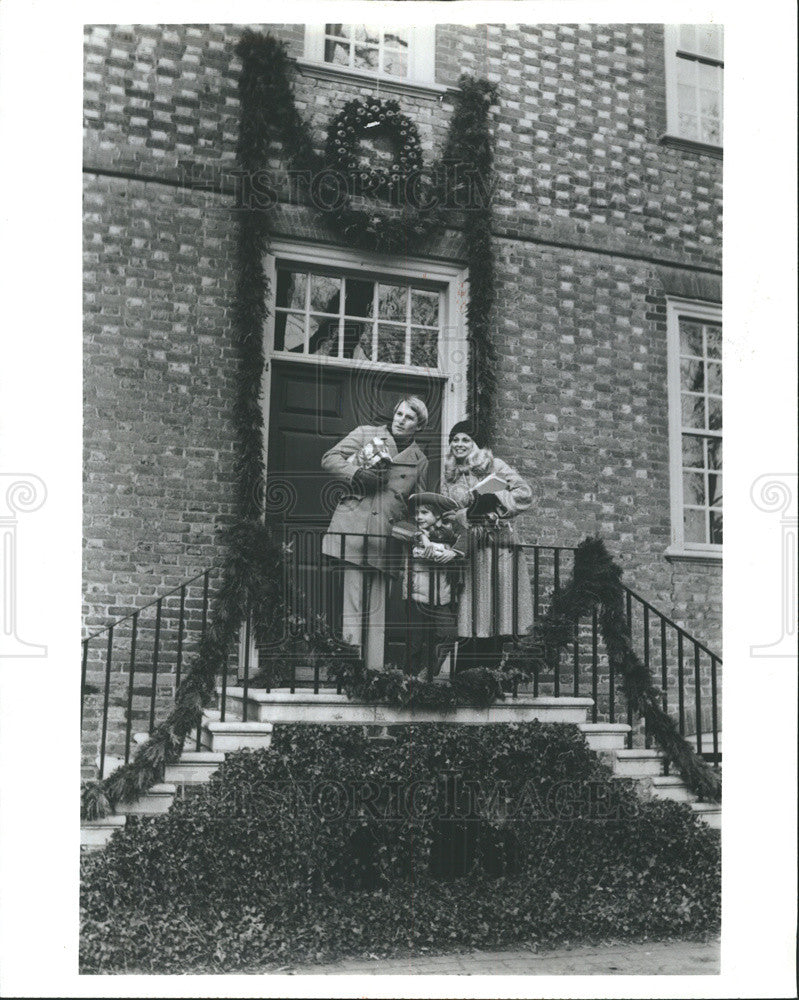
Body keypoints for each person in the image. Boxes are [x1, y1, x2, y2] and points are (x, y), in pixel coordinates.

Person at [321, 397, 429, 671]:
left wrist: (417, 530)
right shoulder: (367, 433)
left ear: (418, 426)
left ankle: (374, 675)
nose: (400, 419)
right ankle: (350, 673)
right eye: (399, 413)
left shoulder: (420, 460)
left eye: (409, 417)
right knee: (353, 607)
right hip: (356, 529)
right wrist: (357, 473)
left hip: (387, 537)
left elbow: (417, 504)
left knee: (378, 613)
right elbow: (329, 458)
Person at [440, 420, 534, 671]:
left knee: (496, 613)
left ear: (476, 444)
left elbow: (524, 494)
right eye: (455, 439)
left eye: (465, 440)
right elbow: (445, 515)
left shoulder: (495, 465)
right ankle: (465, 677)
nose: (459, 444)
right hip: (469, 550)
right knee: (470, 617)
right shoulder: (449, 475)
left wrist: (495, 503)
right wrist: (462, 516)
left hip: (498, 550)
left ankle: (489, 677)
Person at [398, 492, 466, 678]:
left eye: (425, 512)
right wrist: (421, 536)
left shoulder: (447, 532)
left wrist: (454, 553)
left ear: (437, 516)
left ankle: (427, 671)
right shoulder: (410, 529)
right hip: (416, 595)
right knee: (415, 641)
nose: (419, 516)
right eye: (417, 512)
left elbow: (467, 534)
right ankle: (409, 680)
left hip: (442, 596)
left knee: (448, 634)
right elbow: (395, 527)